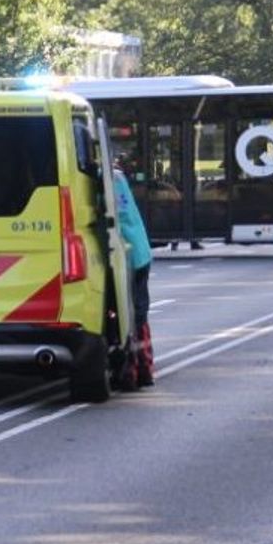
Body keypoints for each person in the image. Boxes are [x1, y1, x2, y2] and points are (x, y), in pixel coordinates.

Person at [112, 165, 154, 387]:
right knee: (137, 314)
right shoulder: (116, 175)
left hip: (129, 255)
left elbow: (117, 213)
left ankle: (134, 370)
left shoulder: (108, 178)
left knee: (131, 316)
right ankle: (142, 369)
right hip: (136, 252)